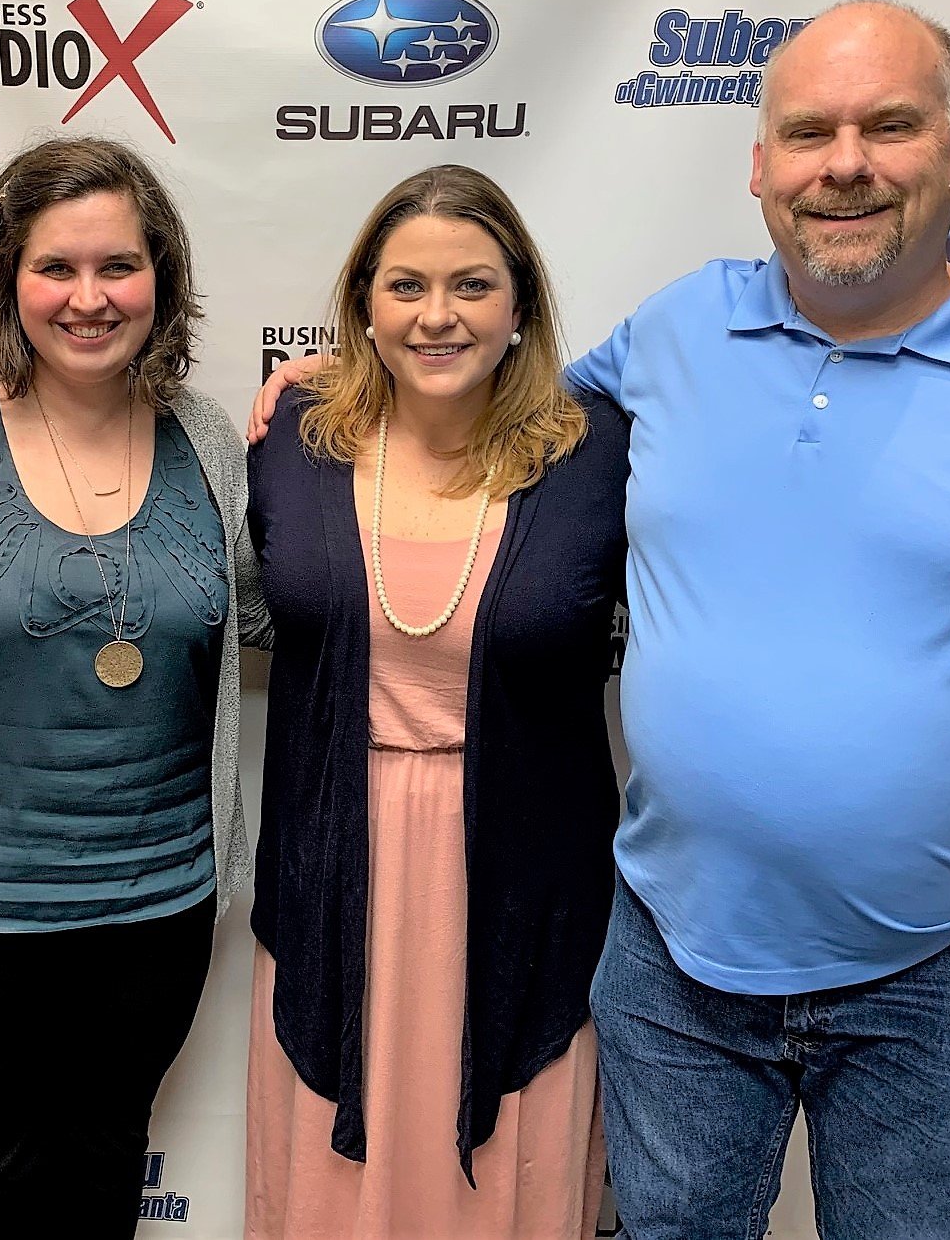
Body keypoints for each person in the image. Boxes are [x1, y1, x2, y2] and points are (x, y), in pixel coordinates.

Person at [252, 0, 950, 1240]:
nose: (844, 165)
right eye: (808, 133)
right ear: (760, 165)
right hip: (668, 963)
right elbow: (484, 395)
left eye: (889, 126)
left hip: (936, 979)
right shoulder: (674, 335)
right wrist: (343, 376)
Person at [0, 137, 271, 1236]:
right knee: (3, 1165)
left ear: (160, 279)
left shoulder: (207, 437)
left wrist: (347, 415)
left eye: (118, 266)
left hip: (160, 900)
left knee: (107, 1156)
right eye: (55, 267)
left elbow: (266, 611)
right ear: (8, 280)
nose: (89, 298)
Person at [245, 165, 628, 1238]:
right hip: (333, 862)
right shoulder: (296, 438)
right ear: (363, 304)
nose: (437, 314)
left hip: (524, 876)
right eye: (406, 285)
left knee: (507, 1167)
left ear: (521, 306)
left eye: (471, 285)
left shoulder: (597, 451)